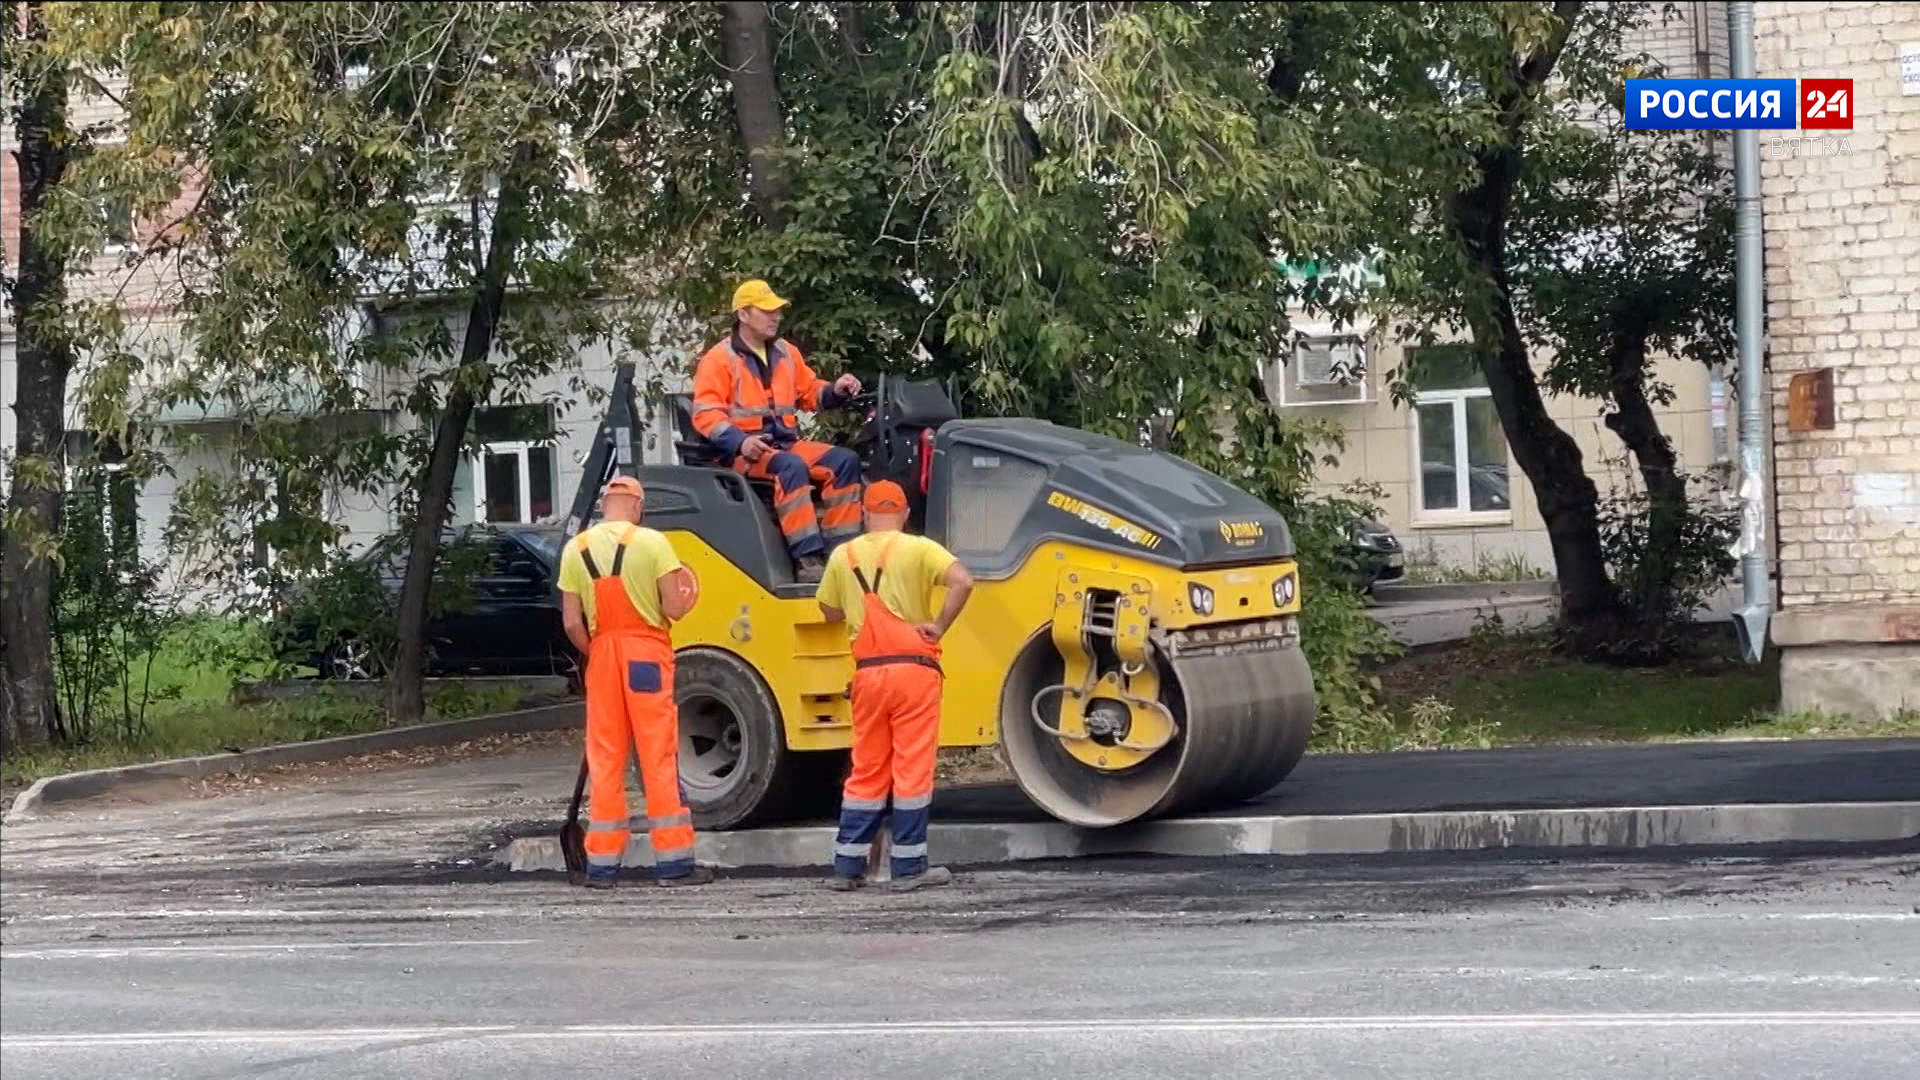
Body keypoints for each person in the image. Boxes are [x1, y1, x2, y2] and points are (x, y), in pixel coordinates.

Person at [815, 480, 974, 891]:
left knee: (867, 767)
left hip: (868, 674)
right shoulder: (920, 549)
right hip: (914, 671)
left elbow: (828, 610)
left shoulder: (842, 555)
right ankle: (908, 867)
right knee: (911, 770)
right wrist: (938, 625)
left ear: (865, 514)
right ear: (904, 514)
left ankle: (847, 867)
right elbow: (964, 581)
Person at [557, 475, 712, 889]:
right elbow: (674, 607)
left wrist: (598, 651)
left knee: (606, 757)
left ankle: (602, 867)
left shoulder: (577, 548)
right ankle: (675, 864)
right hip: (646, 654)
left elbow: (571, 621)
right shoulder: (653, 543)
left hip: (602, 655)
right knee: (656, 754)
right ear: (638, 506)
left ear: (605, 504)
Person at [690, 279, 866, 584]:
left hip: (784, 445)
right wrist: (741, 442)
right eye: (767, 310)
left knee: (844, 461)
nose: (776, 317)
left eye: (778, 311)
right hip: (741, 454)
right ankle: (808, 559)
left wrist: (836, 389)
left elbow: (811, 392)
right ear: (743, 314)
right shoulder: (718, 360)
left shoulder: (786, 352)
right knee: (791, 468)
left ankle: (843, 554)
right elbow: (706, 415)